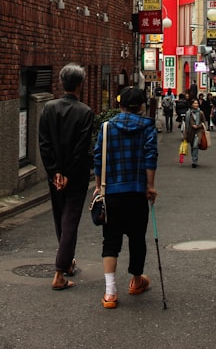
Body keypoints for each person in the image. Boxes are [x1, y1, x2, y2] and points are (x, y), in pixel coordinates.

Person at [93, 86, 158, 309]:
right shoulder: (147, 126)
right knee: (137, 237)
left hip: (112, 192)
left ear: (120, 105)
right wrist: (150, 187)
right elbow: (151, 157)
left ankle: (110, 292)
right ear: (141, 106)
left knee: (110, 240)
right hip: (137, 191)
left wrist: (98, 186)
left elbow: (98, 158)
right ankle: (136, 281)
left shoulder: (107, 127)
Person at [38, 63, 95, 291]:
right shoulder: (85, 112)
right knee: (70, 219)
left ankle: (67, 262)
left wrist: (55, 172)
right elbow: (82, 147)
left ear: (62, 83)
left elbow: (44, 143)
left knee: (60, 216)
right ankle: (60, 272)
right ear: (80, 85)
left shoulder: (48, 108)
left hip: (56, 175)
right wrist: (69, 173)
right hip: (77, 175)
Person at [182, 99, 207, 168]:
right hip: (190, 131)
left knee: (196, 145)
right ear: (191, 104)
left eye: (197, 103)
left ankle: (194, 161)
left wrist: (198, 126)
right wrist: (185, 134)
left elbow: (204, 123)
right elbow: (186, 124)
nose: (196, 105)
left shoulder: (201, 113)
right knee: (192, 146)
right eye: (195, 103)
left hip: (199, 131)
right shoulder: (188, 113)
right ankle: (194, 158)